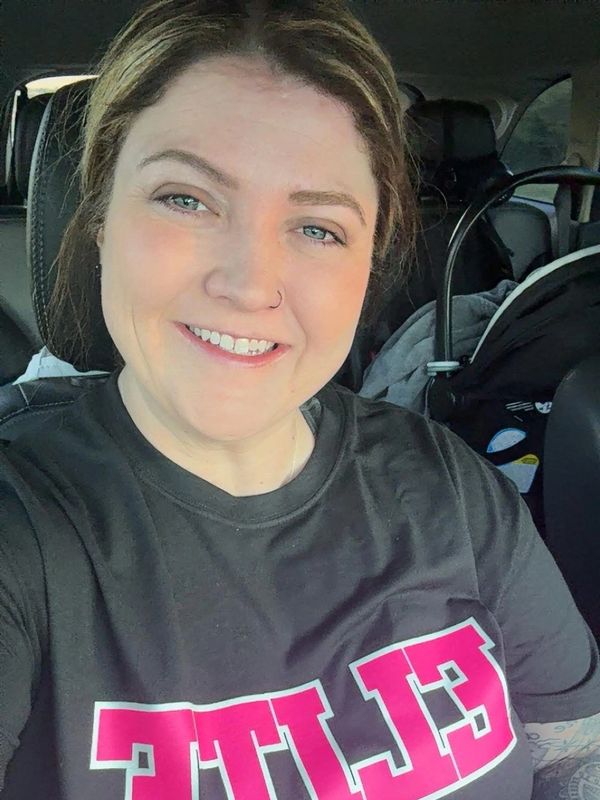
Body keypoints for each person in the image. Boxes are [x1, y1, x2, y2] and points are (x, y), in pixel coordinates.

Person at [1, 1, 599, 797]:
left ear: (369, 265)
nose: (249, 284)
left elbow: (575, 756)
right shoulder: (25, 533)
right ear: (100, 220)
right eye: (186, 198)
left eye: (318, 228)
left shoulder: (450, 484)